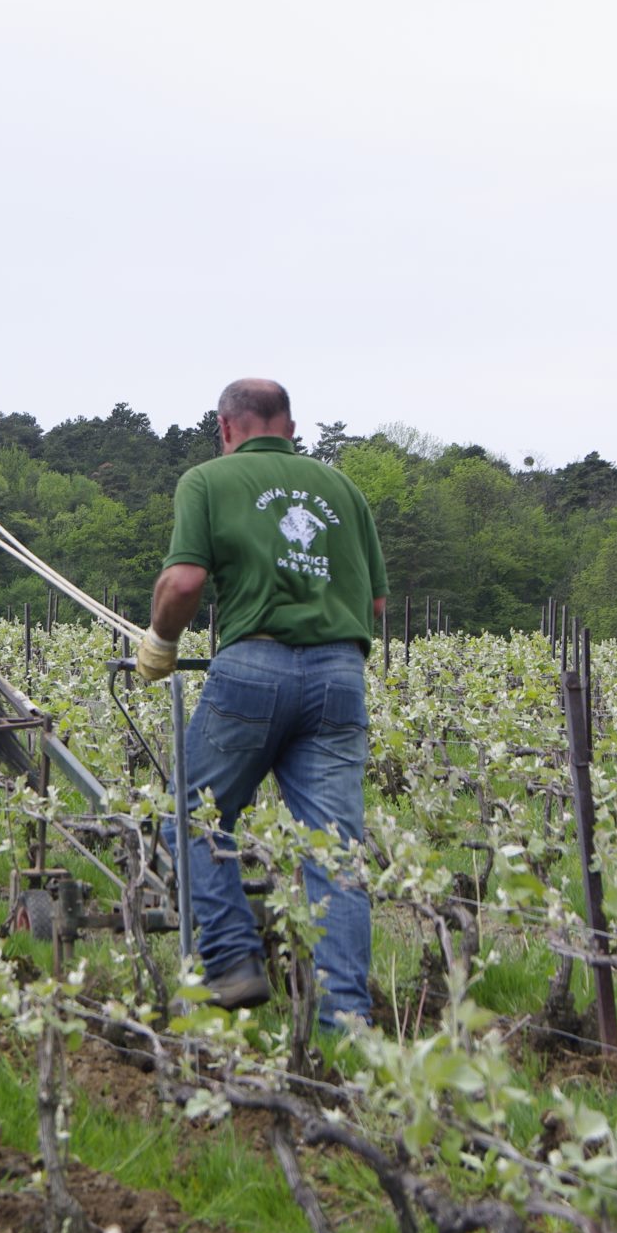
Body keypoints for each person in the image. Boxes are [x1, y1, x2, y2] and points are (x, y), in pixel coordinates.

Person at [136, 378, 388, 1023]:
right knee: (335, 850)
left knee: (190, 818)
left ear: (226, 428)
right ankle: (346, 1025)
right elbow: (377, 605)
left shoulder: (208, 480)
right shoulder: (345, 490)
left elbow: (186, 579)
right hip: (341, 673)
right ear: (291, 426)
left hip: (253, 667)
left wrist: (162, 639)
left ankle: (230, 960)